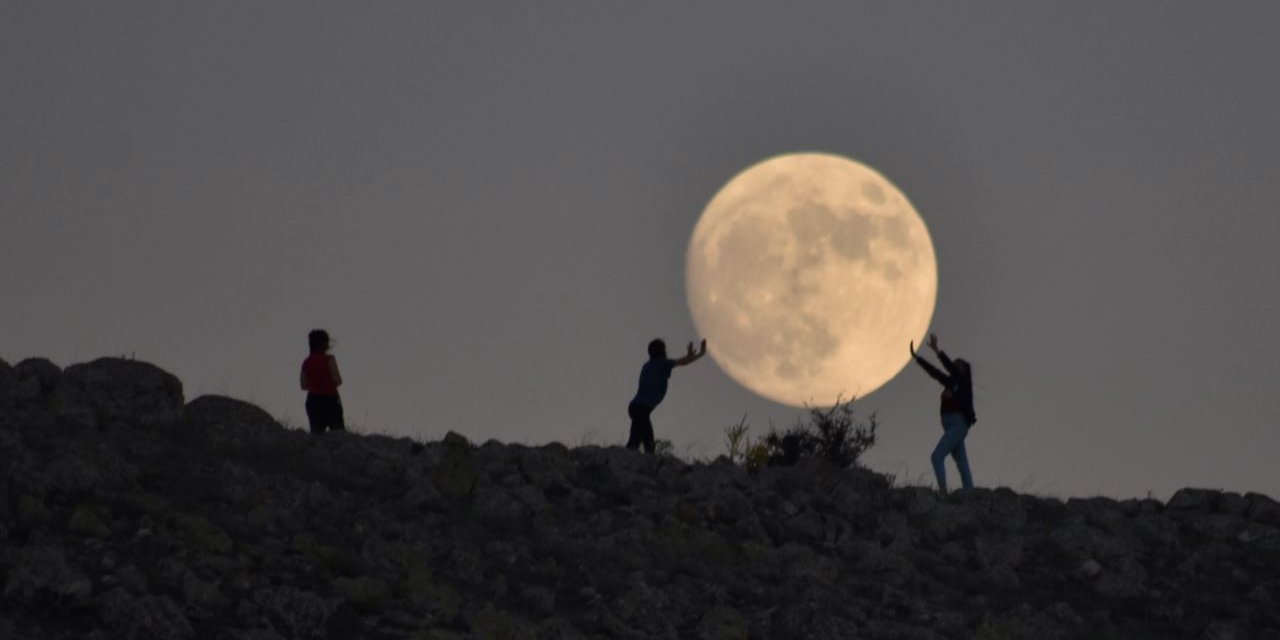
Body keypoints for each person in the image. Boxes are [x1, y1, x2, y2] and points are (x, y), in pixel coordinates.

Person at [910, 333, 976, 493]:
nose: (956, 366)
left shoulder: (964, 383)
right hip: (949, 426)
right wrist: (917, 358)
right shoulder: (950, 383)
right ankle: (970, 493)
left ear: (964, 371)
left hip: (958, 424)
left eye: (959, 366)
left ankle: (943, 492)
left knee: (936, 457)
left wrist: (937, 350)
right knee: (962, 463)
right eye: (956, 364)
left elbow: (949, 367)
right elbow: (935, 372)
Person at [626, 338, 707, 453]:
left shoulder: (647, 365)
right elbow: (684, 361)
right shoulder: (662, 364)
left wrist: (691, 356)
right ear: (662, 351)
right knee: (648, 443)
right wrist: (701, 354)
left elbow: (684, 360)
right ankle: (649, 464)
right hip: (641, 409)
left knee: (634, 441)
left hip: (635, 407)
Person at [300, 329, 345, 434]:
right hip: (331, 399)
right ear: (324, 343)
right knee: (338, 432)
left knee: (316, 433)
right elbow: (337, 380)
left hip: (313, 400)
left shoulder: (306, 362)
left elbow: (303, 385)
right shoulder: (329, 359)